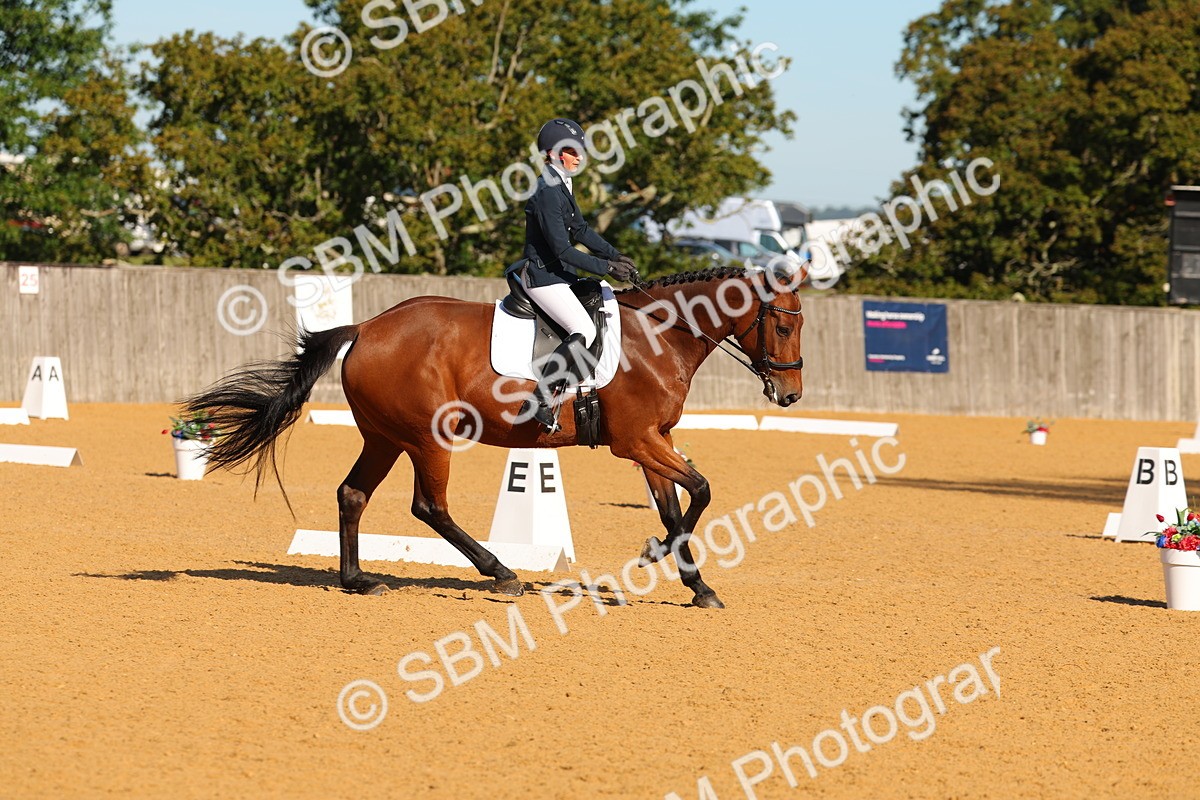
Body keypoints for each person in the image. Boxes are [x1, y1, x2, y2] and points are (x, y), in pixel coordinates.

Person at [506, 117, 639, 433]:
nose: (579, 157)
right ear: (552, 154)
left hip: (558, 273)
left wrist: (614, 254)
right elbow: (563, 250)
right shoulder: (546, 192)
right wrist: (607, 268)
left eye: (580, 151)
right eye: (572, 151)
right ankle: (538, 399)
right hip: (541, 275)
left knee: (603, 296)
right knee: (582, 328)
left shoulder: (562, 183)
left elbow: (581, 228)